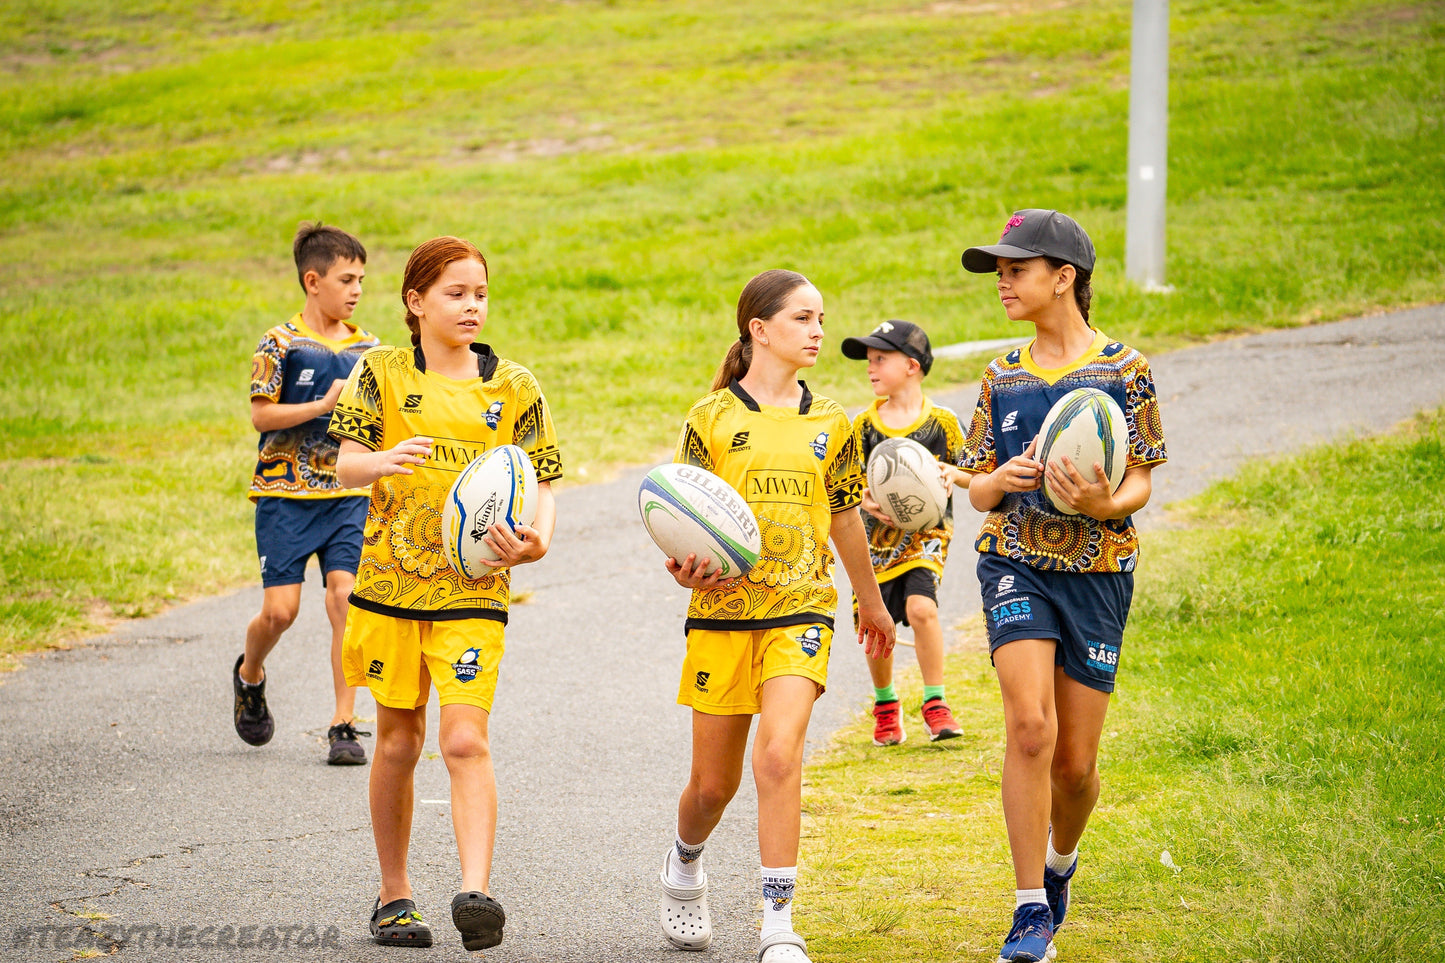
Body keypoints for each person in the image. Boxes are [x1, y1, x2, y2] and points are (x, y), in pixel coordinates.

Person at [656, 270, 896, 963]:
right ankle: (684, 863)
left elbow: (846, 515)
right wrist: (681, 566)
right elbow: (678, 517)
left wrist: (870, 599)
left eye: (820, 317)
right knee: (711, 786)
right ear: (759, 330)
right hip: (722, 617)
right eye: (802, 318)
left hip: (801, 610)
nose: (817, 331)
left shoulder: (834, 422)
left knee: (779, 753)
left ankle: (777, 922)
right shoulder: (711, 419)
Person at [330, 236, 562, 951]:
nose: (471, 306)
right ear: (415, 301)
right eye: (456, 293)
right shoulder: (381, 373)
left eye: (480, 294)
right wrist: (381, 460)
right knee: (399, 740)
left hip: (474, 591)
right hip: (391, 590)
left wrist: (538, 539)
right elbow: (343, 467)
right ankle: (394, 893)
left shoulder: (514, 386)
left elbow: (544, 479)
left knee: (464, 738)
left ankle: (475, 890)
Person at [957, 209, 1167, 962]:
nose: (1003, 283)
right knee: (1029, 729)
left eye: (1016, 269)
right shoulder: (1000, 374)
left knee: (1075, 766)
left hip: (1099, 571)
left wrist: (1102, 503)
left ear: (1063, 277)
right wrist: (996, 481)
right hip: (1012, 559)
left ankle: (1058, 864)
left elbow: (1139, 474)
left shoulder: (1123, 368)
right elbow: (973, 486)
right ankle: (1026, 912)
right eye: (999, 272)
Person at [235, 223, 378, 765]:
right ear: (312, 281)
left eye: (361, 279)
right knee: (280, 612)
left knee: (345, 598)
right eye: (346, 278)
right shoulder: (280, 344)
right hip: (284, 496)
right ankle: (250, 675)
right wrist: (323, 404)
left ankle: (343, 723)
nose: (357, 289)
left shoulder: (370, 349)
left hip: (346, 495)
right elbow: (261, 416)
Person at [840, 319, 969, 746]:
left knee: (921, 610)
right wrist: (864, 501)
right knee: (878, 627)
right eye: (868, 361)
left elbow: (973, 472)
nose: (870, 368)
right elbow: (846, 486)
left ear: (912, 365)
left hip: (926, 536)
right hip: (873, 542)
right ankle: (886, 705)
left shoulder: (943, 422)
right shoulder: (861, 426)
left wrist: (952, 474)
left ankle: (935, 703)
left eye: (880, 359)